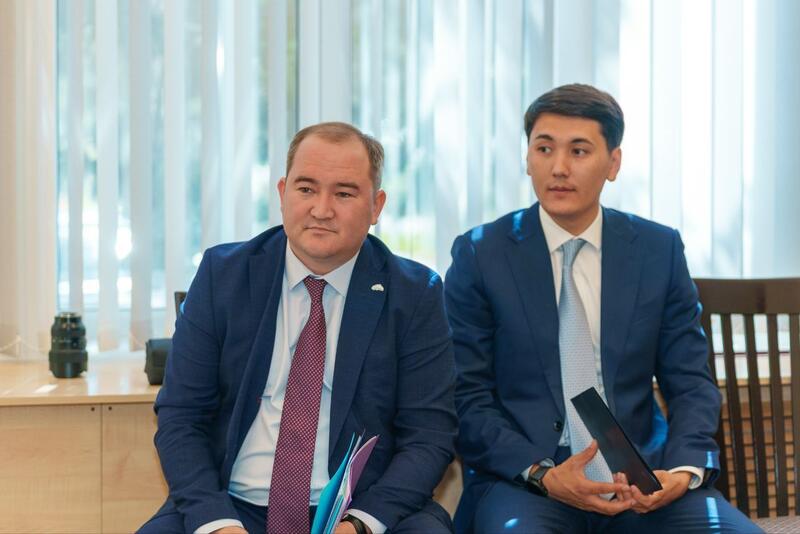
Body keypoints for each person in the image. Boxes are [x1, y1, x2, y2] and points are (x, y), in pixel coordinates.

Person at [445, 84, 759, 533]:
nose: (558, 167)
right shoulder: (481, 254)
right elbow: (466, 396)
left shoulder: (657, 250)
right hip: (528, 483)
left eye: (578, 151)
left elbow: (691, 382)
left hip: (641, 477)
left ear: (613, 163)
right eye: (544, 148)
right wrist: (541, 473)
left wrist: (682, 472)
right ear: (528, 158)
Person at [139, 122, 457, 534]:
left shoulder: (414, 294)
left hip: (359, 509)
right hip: (232, 505)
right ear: (282, 193)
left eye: (344, 194)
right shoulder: (223, 276)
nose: (321, 210)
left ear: (376, 206)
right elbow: (181, 418)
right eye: (306, 189)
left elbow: (429, 435)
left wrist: (359, 525)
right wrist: (218, 523)